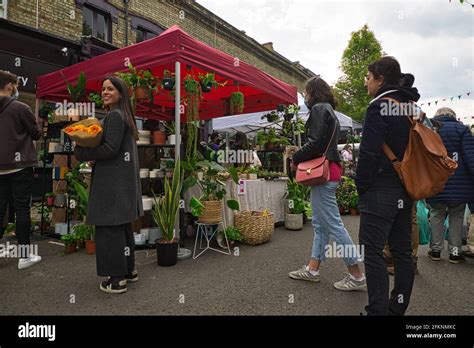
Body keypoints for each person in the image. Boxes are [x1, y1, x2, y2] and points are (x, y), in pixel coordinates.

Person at [289, 76, 366, 291]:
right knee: (321, 225)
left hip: (323, 173)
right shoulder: (329, 110)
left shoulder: (319, 109)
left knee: (332, 224)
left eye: (306, 92)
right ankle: (313, 269)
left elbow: (316, 143)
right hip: (329, 171)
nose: (305, 96)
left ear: (313, 92)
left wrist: (296, 157)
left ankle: (356, 275)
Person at [356, 56, 419, 315]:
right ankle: (397, 308)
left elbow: (369, 153)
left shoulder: (379, 106)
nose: (366, 83)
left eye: (368, 78)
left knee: (372, 251)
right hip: (407, 185)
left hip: (381, 186)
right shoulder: (410, 106)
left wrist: (362, 185)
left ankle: (377, 311)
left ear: (380, 79)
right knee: (402, 251)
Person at [75, 76, 143, 294]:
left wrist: (82, 152)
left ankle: (116, 280)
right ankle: (128, 271)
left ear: (121, 93)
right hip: (121, 182)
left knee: (109, 230)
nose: (105, 92)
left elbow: (110, 149)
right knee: (122, 227)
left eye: (110, 89)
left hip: (111, 184)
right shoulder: (125, 116)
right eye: (103, 88)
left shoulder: (114, 116)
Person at [0, 70, 42, 269]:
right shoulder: (20, 108)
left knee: (0, 210)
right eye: (15, 86)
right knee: (22, 209)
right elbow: (36, 134)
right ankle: (24, 256)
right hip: (19, 166)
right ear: (10, 86)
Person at [426, 107, 474, 264]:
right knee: (456, 216)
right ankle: (455, 253)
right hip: (460, 183)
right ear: (454, 116)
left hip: (436, 181)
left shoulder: (431, 131)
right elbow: (470, 157)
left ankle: (435, 250)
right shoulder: (463, 130)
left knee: (436, 215)